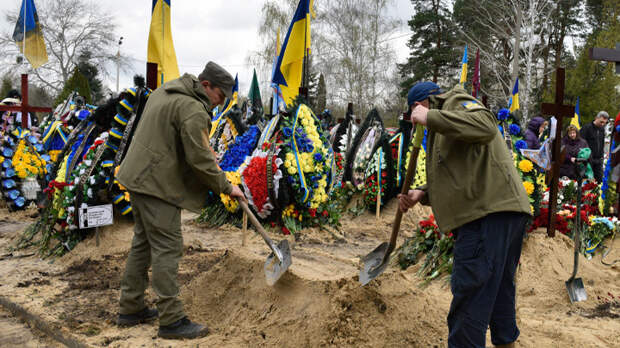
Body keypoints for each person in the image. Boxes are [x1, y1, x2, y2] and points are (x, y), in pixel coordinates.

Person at [115, 62, 245, 339]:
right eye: (220, 96)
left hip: (139, 178)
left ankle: (131, 306)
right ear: (206, 85)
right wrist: (226, 186)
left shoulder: (166, 91)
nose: (220, 103)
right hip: (156, 185)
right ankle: (172, 321)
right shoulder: (192, 109)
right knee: (167, 247)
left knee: (143, 243)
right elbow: (198, 159)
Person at [398, 81, 531, 348]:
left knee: (470, 297)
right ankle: (506, 342)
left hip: (485, 215)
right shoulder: (444, 127)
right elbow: (460, 172)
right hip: (500, 212)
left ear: (419, 105)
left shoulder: (453, 101)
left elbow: (484, 125)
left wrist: (430, 116)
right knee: (498, 292)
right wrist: (422, 194)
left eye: (414, 114)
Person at [580, 111, 609, 182]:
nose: (603, 124)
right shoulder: (586, 128)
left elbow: (602, 143)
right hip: (588, 161)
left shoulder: (602, 129)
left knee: (599, 181)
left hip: (599, 160)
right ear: (596, 118)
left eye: (605, 123)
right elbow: (581, 144)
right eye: (601, 122)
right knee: (587, 183)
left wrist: (602, 156)